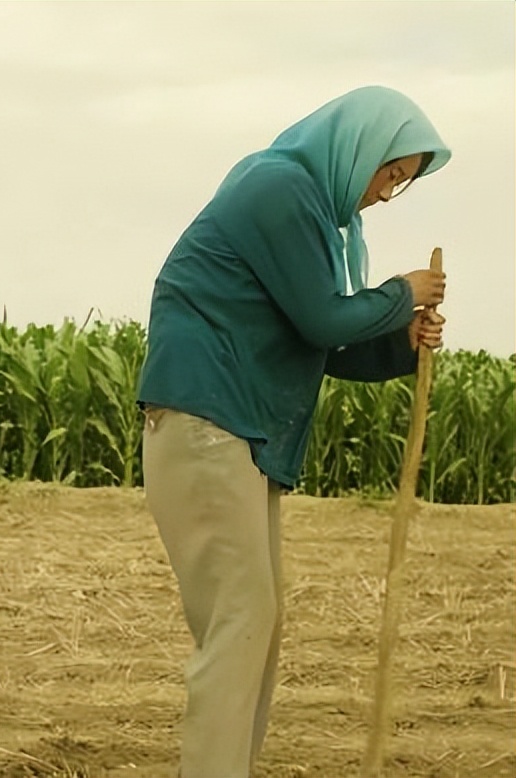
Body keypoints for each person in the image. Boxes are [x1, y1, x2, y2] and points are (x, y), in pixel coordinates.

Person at [137, 86, 450, 778]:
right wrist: (402, 294)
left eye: (401, 183)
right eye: (391, 173)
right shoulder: (279, 187)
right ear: (359, 148)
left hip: (237, 432)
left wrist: (401, 344)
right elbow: (324, 319)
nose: (385, 194)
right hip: (207, 419)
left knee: (256, 622)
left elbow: (323, 344)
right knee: (241, 617)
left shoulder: (318, 218)